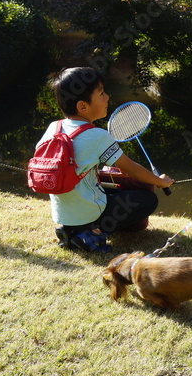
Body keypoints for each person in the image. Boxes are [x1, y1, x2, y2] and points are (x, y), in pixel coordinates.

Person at [40, 66, 173, 252]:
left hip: (62, 215)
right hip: (88, 213)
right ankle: (91, 234)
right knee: (148, 200)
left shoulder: (54, 128)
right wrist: (160, 181)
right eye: (101, 93)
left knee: (107, 188)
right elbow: (132, 169)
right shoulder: (96, 136)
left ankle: (72, 230)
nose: (107, 97)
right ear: (82, 106)